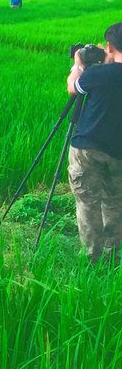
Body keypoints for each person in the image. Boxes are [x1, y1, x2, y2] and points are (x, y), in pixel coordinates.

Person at [66, 22, 122, 264]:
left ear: (109, 46)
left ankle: (91, 257)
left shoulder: (96, 74)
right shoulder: (104, 73)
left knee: (87, 203)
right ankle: (113, 255)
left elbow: (72, 88)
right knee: (115, 202)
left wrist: (78, 64)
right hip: (118, 152)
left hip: (87, 147)